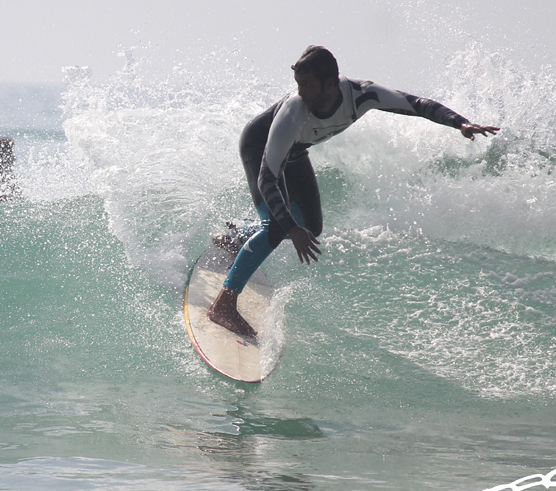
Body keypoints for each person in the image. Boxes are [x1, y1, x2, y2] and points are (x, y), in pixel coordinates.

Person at [207, 46, 500, 340]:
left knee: (311, 227)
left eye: (308, 85)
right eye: (298, 84)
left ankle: (238, 238)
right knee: (277, 227)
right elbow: (267, 179)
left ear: (331, 83)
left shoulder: (362, 95)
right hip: (260, 148)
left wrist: (459, 122)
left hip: (295, 154)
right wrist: (290, 228)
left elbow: (415, 103)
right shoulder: (292, 113)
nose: (301, 92)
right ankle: (224, 304)